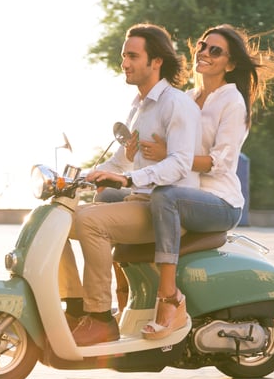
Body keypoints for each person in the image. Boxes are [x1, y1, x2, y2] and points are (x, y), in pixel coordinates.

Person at [138, 24, 274, 339]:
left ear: (230, 64)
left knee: (164, 198)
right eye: (201, 45)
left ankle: (169, 299)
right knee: (121, 201)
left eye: (215, 50)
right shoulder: (186, 96)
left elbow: (220, 162)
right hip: (187, 193)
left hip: (219, 202)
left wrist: (168, 153)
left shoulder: (232, 103)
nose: (204, 53)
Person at [61, 23, 201, 347]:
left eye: (133, 56)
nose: (124, 62)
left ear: (156, 62)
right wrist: (83, 177)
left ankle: (99, 319)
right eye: (124, 55)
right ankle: (74, 307)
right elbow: (123, 162)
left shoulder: (175, 104)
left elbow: (180, 163)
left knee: (89, 222)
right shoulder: (139, 107)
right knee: (59, 220)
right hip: (141, 201)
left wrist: (128, 179)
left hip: (166, 208)